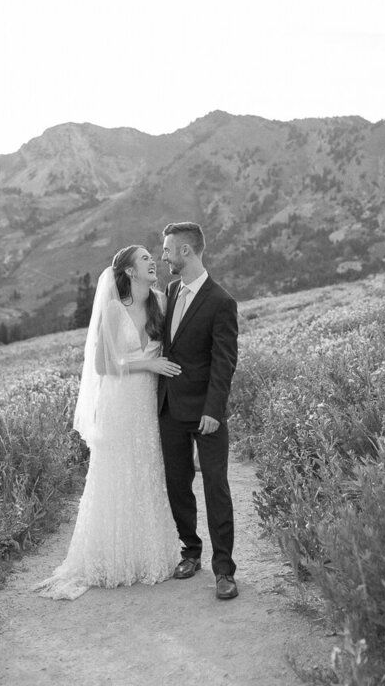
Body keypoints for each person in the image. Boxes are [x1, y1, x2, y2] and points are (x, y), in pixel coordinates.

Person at [35, 245, 183, 600]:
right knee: (116, 471)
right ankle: (110, 557)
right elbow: (102, 366)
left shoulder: (161, 303)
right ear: (130, 271)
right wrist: (148, 364)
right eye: (145, 258)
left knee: (147, 467)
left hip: (149, 398)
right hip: (121, 399)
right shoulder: (114, 309)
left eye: (153, 257)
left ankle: (148, 554)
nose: (153, 262)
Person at [157, 222, 240, 600]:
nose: (163, 256)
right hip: (171, 408)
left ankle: (225, 570)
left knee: (216, 487)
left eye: (168, 250)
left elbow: (224, 362)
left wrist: (214, 410)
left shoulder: (221, 302)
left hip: (206, 413)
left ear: (186, 252)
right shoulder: (171, 291)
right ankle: (190, 551)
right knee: (177, 484)